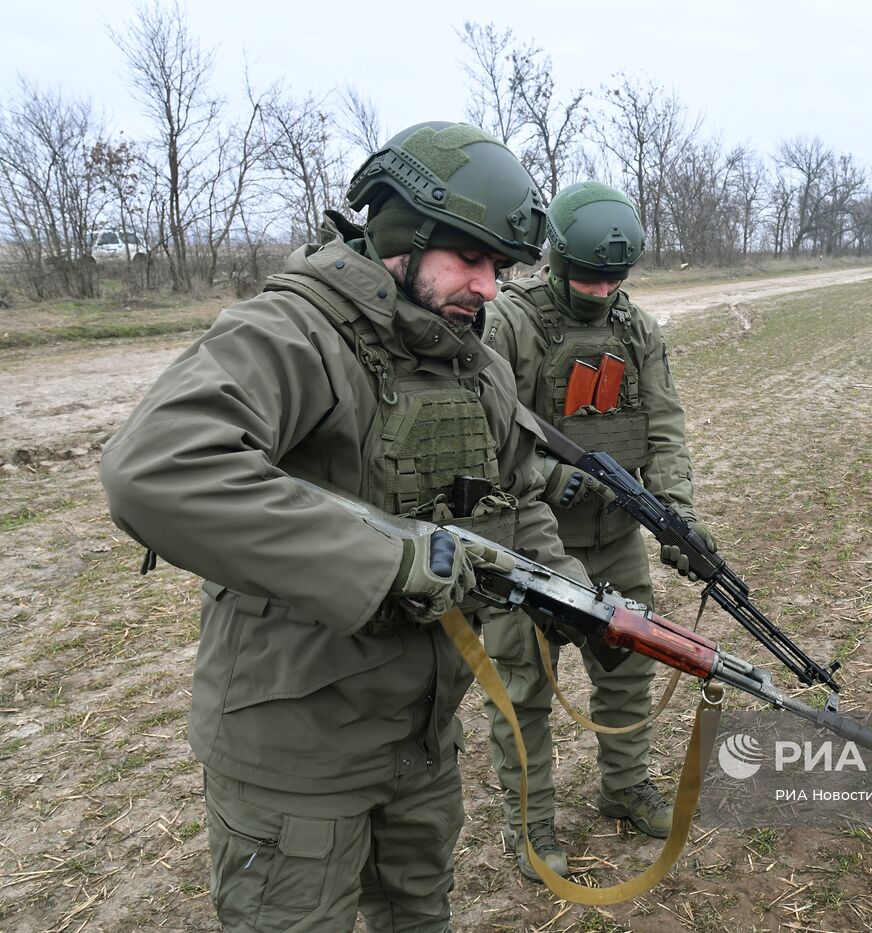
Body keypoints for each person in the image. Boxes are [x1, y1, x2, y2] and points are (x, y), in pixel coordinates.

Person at [99, 121, 587, 931]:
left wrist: (560, 580)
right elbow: (155, 466)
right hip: (296, 747)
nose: (491, 288)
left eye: (500, 267)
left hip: (421, 738)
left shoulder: (478, 363)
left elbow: (515, 492)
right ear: (405, 232)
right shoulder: (295, 331)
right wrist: (386, 560)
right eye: (470, 258)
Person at [476, 181, 715, 881]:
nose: (599, 289)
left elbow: (664, 428)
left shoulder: (637, 329)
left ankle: (625, 785)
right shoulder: (511, 325)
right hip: (530, 540)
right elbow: (487, 431)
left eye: (613, 278)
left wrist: (677, 517)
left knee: (629, 665)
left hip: (616, 537)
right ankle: (532, 824)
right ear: (554, 257)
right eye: (586, 275)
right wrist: (549, 478)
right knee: (524, 688)